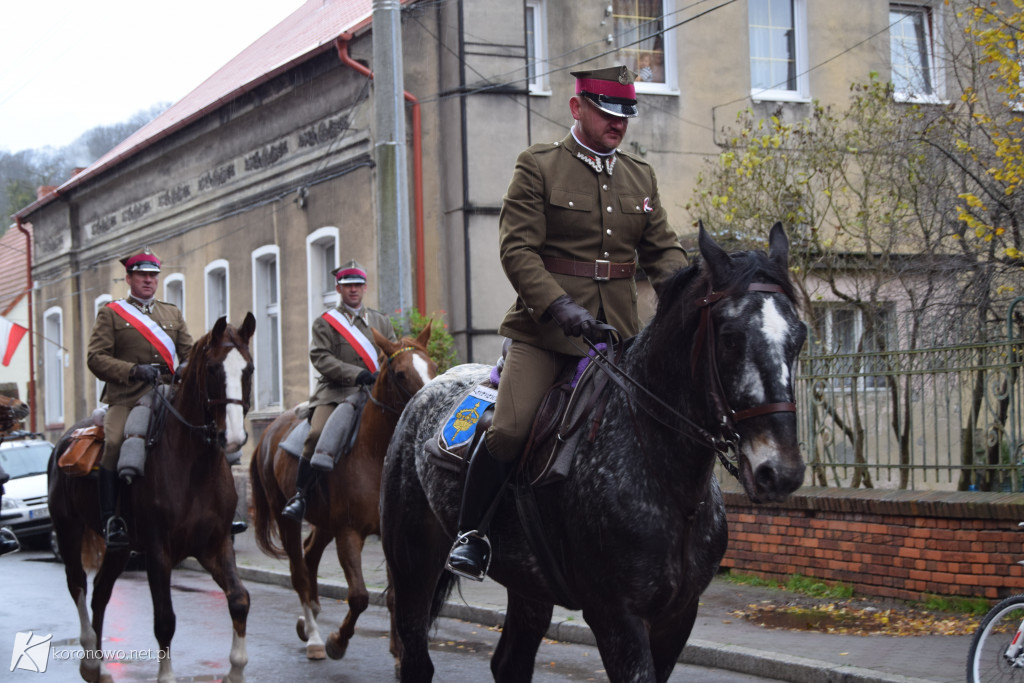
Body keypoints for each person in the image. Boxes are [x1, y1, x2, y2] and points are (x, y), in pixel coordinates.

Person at [446, 65, 689, 580]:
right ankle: (473, 535)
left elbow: (663, 251)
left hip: (617, 336)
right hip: (545, 334)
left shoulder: (639, 176)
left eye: (626, 113)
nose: (618, 123)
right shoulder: (539, 166)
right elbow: (517, 250)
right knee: (510, 430)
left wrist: (690, 296)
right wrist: (560, 307)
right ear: (577, 108)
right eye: (606, 112)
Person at [87, 249, 194, 549]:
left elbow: (189, 353)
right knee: (116, 443)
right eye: (142, 275)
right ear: (129, 278)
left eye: (152, 275)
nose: (148, 280)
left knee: (204, 433)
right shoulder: (111, 313)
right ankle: (112, 519)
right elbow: (95, 358)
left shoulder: (171, 313)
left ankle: (211, 511)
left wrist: (187, 367)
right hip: (127, 396)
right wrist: (133, 370)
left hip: (168, 394)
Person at [282, 259, 399, 522]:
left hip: (374, 392)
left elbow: (391, 353)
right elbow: (321, 358)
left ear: (365, 287)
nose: (353, 290)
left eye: (358, 285)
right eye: (348, 286)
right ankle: (301, 495)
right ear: (338, 289)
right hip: (336, 393)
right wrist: (356, 374)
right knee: (317, 434)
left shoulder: (380, 320)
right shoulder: (325, 322)